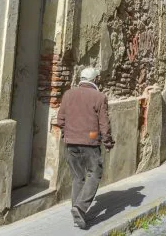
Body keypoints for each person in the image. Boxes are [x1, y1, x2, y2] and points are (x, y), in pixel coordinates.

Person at [57, 67, 115, 229]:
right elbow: (104, 124)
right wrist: (108, 141)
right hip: (90, 142)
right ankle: (80, 208)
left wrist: (66, 134)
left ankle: (77, 213)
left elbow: (60, 119)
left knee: (77, 177)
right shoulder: (99, 97)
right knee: (95, 173)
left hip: (71, 142)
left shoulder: (68, 94)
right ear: (95, 80)